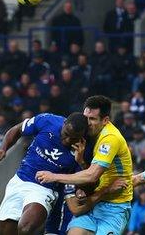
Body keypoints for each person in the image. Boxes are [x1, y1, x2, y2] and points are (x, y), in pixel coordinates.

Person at [36, 95, 133, 235]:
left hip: (114, 206)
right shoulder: (86, 134)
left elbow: (92, 175)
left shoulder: (110, 138)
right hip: (92, 201)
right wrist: (81, 161)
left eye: (92, 119)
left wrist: (54, 176)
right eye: (86, 117)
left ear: (105, 120)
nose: (87, 123)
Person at [0, 112, 88, 235]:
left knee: (25, 228)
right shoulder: (47, 121)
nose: (67, 140)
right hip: (20, 180)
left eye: (73, 138)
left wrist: (81, 161)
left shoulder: (84, 149)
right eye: (66, 134)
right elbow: (17, 130)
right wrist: (3, 149)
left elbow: (86, 178)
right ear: (64, 124)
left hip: (45, 189)